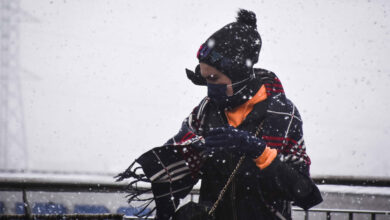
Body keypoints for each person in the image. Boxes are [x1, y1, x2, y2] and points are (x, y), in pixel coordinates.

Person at [116, 9, 322, 220]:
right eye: (204, 79)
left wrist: (259, 151)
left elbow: (305, 193)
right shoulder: (206, 110)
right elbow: (177, 161)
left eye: (214, 78)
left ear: (239, 75)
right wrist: (188, 211)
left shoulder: (282, 115)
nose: (209, 89)